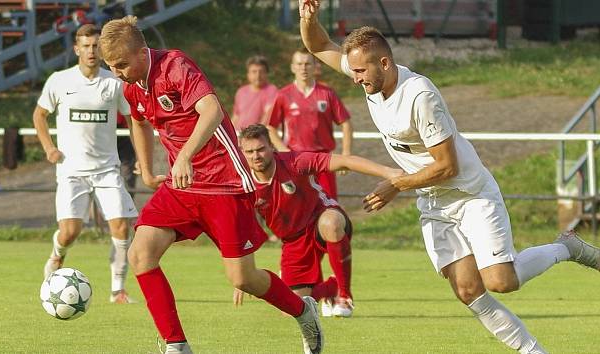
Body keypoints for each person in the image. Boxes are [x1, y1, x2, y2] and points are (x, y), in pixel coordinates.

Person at [298, 1, 600, 353]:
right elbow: (319, 45)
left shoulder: (419, 95)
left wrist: (395, 184)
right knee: (467, 291)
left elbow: (448, 167)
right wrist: (307, 19)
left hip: (470, 194)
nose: (354, 78)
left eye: (359, 71)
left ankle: (564, 247)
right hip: (434, 201)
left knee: (501, 281)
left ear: (384, 63)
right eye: (352, 70)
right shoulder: (370, 77)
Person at [99, 16, 323, 354]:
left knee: (242, 279)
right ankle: (177, 345)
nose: (116, 72)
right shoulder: (132, 84)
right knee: (140, 254)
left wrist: (185, 155)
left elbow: (212, 110)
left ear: (142, 53)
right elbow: (138, 120)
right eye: (111, 66)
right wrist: (146, 169)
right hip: (182, 186)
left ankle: (302, 310)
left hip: (224, 182)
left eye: (120, 64)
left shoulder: (175, 65)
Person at [235, 124, 402, 318]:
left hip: (320, 219)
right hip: (292, 241)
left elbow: (345, 162)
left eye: (261, 149)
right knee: (291, 310)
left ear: (272, 146)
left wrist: (390, 173)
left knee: (331, 224)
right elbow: (242, 227)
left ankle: (344, 294)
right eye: (250, 151)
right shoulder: (243, 183)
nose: (256, 155)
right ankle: (329, 288)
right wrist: (244, 275)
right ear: (242, 153)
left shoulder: (295, 162)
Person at [33, 23, 137, 304]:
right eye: (86, 46)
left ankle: (118, 290)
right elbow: (39, 115)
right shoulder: (59, 80)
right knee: (70, 232)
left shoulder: (114, 82)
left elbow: (133, 118)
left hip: (107, 169)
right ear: (76, 49)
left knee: (121, 227)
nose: (92, 51)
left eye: (96, 46)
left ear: (102, 50)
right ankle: (57, 256)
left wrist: (139, 156)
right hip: (71, 170)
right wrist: (49, 148)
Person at [266, 47, 353, 199]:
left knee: (330, 208)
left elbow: (345, 123)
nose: (303, 68)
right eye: (299, 64)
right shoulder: (283, 95)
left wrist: (346, 153)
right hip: (295, 160)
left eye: (307, 64)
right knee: (298, 209)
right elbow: (270, 127)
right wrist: (283, 150)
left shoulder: (327, 93)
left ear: (315, 67)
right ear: (293, 67)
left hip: (324, 160)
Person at [232, 55, 278, 131]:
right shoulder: (241, 91)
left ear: (266, 73)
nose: (258, 75)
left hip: (257, 135)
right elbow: (236, 115)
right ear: (248, 74)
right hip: (238, 134)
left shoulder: (272, 90)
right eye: (254, 72)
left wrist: (257, 133)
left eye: (261, 72)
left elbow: (268, 115)